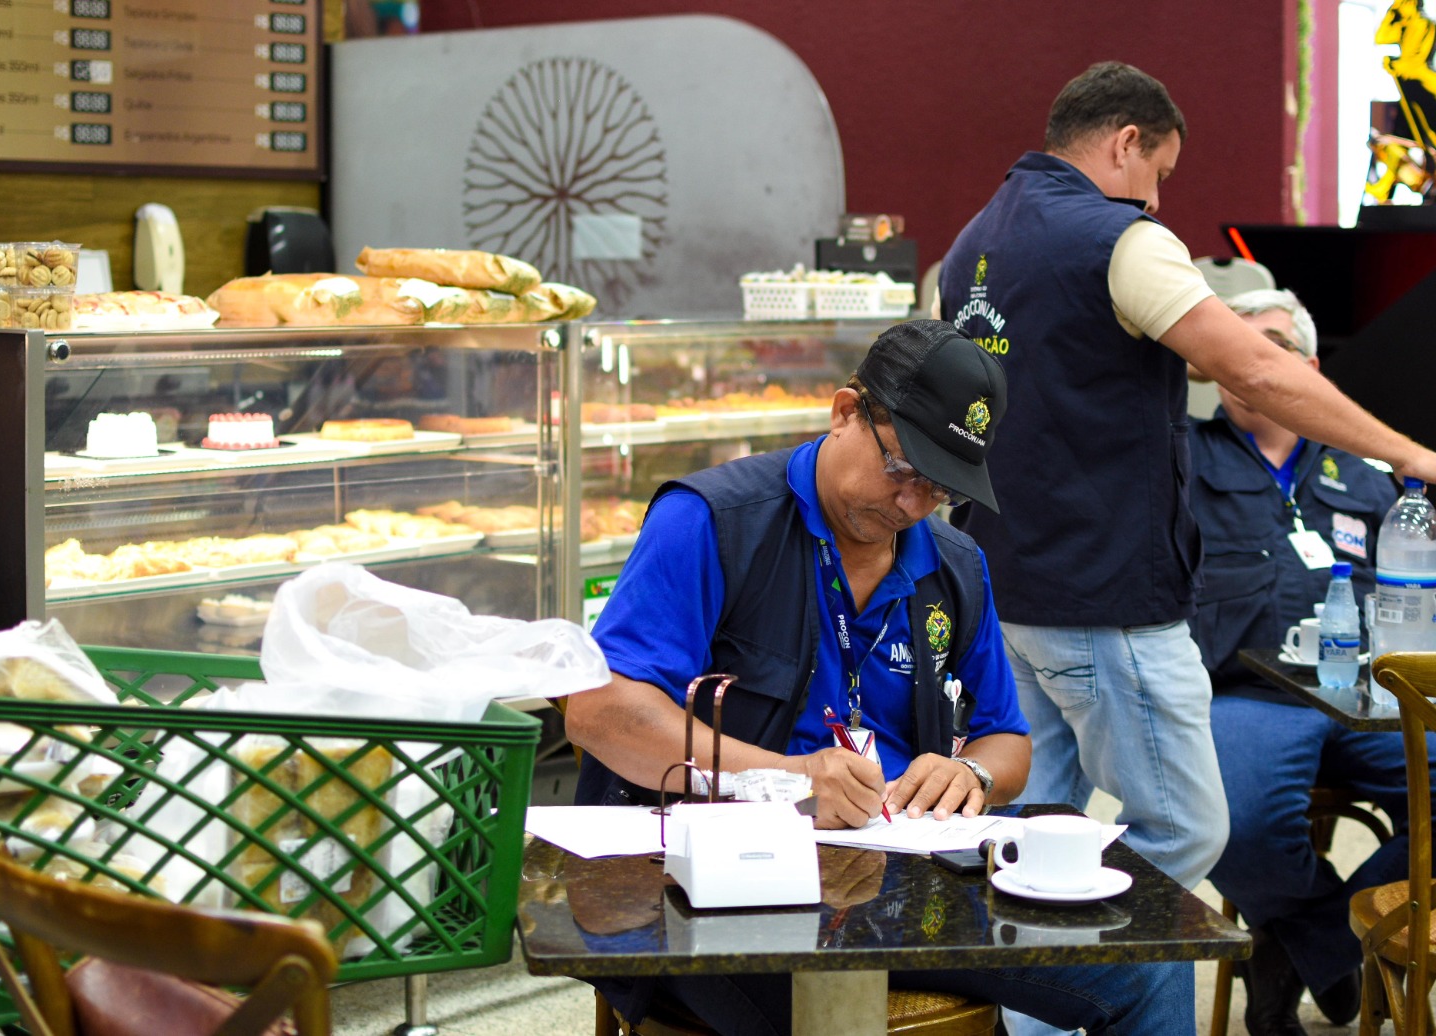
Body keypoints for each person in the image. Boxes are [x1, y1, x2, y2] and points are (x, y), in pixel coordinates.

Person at [565, 320, 1193, 1036]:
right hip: (712, 882)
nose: (912, 504)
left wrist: (974, 779)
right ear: (844, 412)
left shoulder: (952, 564)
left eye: (941, 487)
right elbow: (598, 712)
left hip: (897, 880)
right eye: (902, 469)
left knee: (1151, 954)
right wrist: (786, 779)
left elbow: (1007, 741)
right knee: (833, 1012)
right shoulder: (712, 522)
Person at [936, 61, 1436, 895]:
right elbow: (1256, 373)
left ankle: (1042, 1018)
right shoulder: (1117, 238)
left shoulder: (975, 243)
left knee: (1037, 833)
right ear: (1126, 141)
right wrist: (1412, 456)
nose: (1159, 202)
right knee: (1186, 831)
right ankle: (1105, 996)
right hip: (1104, 594)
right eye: (1160, 174)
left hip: (1002, 583)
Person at [1189, 288, 1436, 1036]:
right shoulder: (1179, 458)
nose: (1247, 364)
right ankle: (1336, 945)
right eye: (1233, 346)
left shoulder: (1366, 471)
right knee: (1226, 813)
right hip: (1245, 694)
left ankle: (1293, 947)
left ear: (1307, 364)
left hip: (1370, 696)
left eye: (1267, 347)